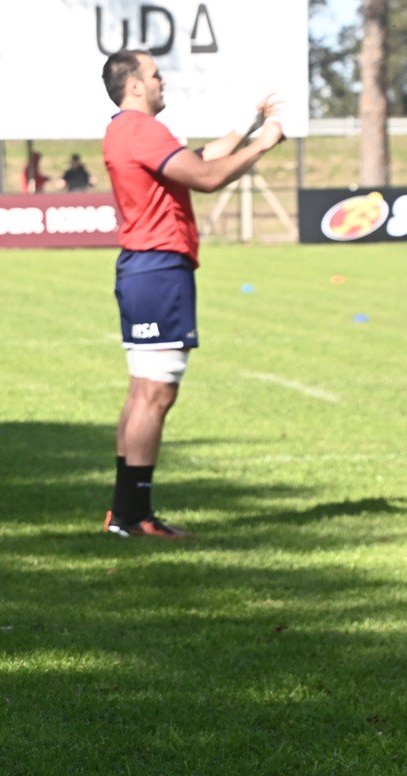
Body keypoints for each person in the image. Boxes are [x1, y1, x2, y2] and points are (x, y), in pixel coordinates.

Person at [100, 50, 284, 539]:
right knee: (155, 393)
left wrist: (247, 127)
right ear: (135, 85)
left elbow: (197, 160)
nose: (163, 82)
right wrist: (264, 143)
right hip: (159, 267)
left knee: (143, 392)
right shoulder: (141, 130)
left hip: (146, 267)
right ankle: (135, 517)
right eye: (156, 75)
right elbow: (206, 178)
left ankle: (123, 513)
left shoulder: (126, 130)